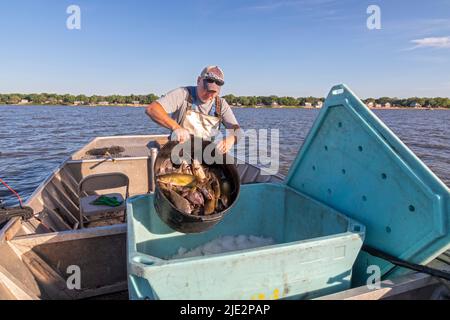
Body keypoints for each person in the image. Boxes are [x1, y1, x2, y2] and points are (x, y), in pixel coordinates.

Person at [145, 66, 240, 154]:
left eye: (213, 92)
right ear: (198, 80)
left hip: (207, 156)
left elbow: (237, 131)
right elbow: (152, 109)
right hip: (179, 153)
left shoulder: (221, 104)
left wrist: (231, 139)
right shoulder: (183, 94)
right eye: (206, 89)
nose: (209, 95)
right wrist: (176, 127)